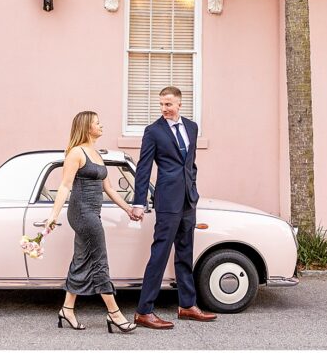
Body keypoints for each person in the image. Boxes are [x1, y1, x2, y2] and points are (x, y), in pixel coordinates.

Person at [132, 86, 217, 329]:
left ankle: (187, 306)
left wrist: (193, 189)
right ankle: (143, 311)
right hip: (167, 201)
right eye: (161, 104)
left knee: (185, 253)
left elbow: (191, 164)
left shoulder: (191, 127)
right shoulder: (153, 131)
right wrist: (139, 202)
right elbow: (143, 169)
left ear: (179, 103)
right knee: (159, 254)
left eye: (168, 104)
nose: (164, 109)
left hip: (189, 200)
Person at [45, 111, 138, 333]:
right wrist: (53, 215)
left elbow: (109, 188)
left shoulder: (95, 153)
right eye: (97, 123)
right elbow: (65, 186)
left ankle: (67, 309)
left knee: (81, 260)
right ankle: (114, 313)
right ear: (87, 127)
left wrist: (128, 209)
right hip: (81, 213)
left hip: (92, 213)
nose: (101, 125)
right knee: (99, 261)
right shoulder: (76, 153)